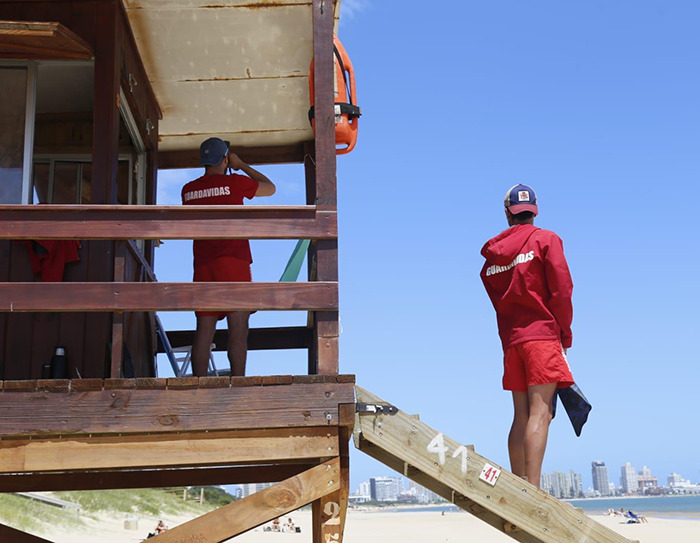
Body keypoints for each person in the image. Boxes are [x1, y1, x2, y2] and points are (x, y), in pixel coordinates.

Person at [480, 183, 574, 489]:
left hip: (512, 342)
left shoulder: (492, 258)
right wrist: (564, 333)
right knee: (541, 413)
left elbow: (498, 301)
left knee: (520, 415)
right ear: (534, 212)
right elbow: (562, 291)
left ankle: (518, 482)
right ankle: (533, 488)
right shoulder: (546, 240)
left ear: (507, 213)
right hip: (542, 336)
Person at [182, 137, 276, 376]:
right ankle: (238, 384)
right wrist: (241, 164)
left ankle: (198, 386)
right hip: (234, 260)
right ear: (225, 159)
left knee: (204, 329)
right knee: (238, 327)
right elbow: (270, 187)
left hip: (203, 264)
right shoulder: (235, 183)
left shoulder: (188, 190)